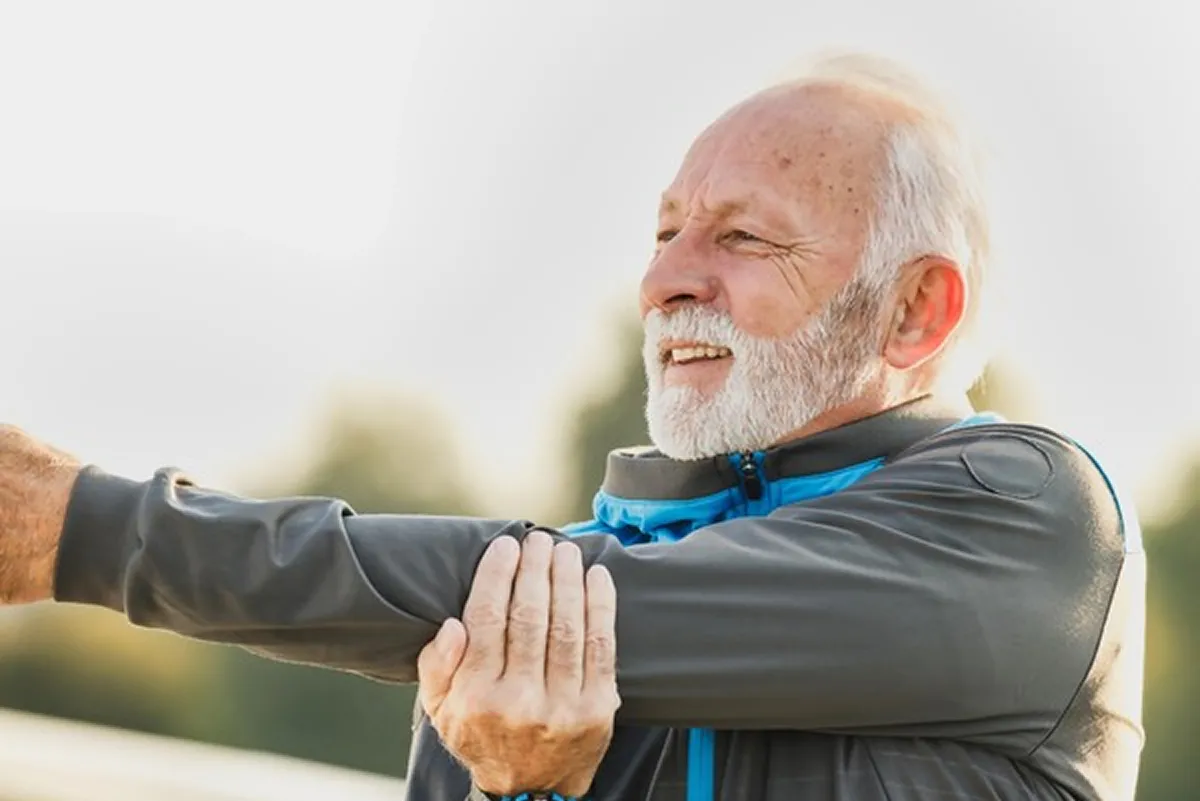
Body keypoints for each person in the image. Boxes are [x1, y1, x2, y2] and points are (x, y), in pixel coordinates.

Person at [0, 53, 1143, 801]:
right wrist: (523, 791)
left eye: (743, 239)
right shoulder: (515, 642)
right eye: (665, 234)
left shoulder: (1027, 515)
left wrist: (87, 530)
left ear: (915, 310)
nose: (664, 283)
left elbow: (600, 603)